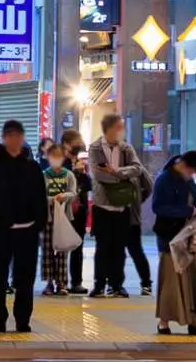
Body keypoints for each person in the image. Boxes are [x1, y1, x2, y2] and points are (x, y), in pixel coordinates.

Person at [0, 119, 48, 333]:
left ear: (22, 138)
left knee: (25, 278)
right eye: (9, 135)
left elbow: (40, 197)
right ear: (3, 138)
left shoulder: (32, 167)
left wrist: (39, 223)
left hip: (27, 230)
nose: (14, 139)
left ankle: (23, 319)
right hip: (0, 230)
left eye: (18, 135)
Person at [87, 113, 151, 297]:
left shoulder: (126, 148)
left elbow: (137, 169)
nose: (122, 130)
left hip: (123, 207)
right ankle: (99, 284)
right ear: (109, 128)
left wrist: (115, 171)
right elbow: (98, 175)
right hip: (102, 206)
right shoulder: (95, 148)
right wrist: (123, 177)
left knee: (119, 249)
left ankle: (117, 285)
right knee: (102, 248)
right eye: (119, 127)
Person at [153, 150, 196, 336]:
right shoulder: (163, 179)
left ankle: (193, 320)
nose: (192, 175)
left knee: (192, 278)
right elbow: (158, 207)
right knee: (170, 280)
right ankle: (164, 321)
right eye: (191, 171)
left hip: (189, 236)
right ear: (184, 165)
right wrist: (187, 211)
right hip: (170, 237)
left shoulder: (188, 179)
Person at [41, 142, 79, 295]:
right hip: (48, 218)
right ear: (48, 158)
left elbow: (73, 192)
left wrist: (64, 196)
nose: (56, 159)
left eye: (59, 156)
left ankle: (62, 283)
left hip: (64, 217)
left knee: (63, 250)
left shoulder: (69, 175)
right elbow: (40, 196)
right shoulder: (44, 175)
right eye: (53, 156)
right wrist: (51, 199)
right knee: (47, 250)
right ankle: (49, 283)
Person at [67, 136, 93, 293]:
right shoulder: (64, 171)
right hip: (65, 214)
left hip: (80, 215)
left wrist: (83, 173)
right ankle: (59, 283)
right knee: (61, 249)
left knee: (78, 248)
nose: (82, 163)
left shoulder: (85, 177)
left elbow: (89, 189)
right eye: (80, 160)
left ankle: (76, 282)